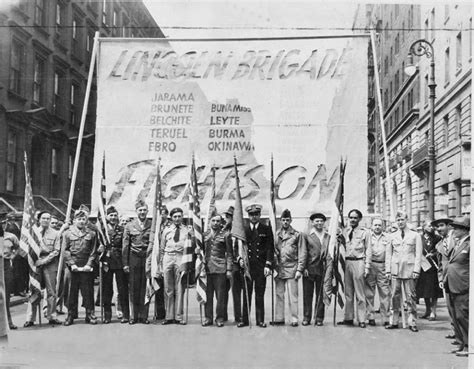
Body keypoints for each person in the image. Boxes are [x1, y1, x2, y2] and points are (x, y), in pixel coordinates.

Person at [24, 211, 63, 327]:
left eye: (48, 218)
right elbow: (27, 248)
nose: (46, 220)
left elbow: (56, 250)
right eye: (43, 218)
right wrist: (35, 261)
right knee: (34, 290)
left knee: (51, 292)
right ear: (39, 219)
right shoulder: (33, 232)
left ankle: (52, 316)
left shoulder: (56, 233)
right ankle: (30, 318)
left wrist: (44, 261)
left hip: (50, 264)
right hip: (35, 263)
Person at [385, 211, 422, 332]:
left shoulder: (415, 235)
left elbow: (418, 254)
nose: (400, 222)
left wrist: (416, 269)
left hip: (409, 269)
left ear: (407, 220)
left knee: (411, 296)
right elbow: (388, 254)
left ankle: (412, 322)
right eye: (398, 220)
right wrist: (388, 270)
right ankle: (394, 321)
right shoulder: (391, 236)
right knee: (394, 296)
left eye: (402, 220)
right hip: (395, 269)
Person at [238, 204, 274, 328]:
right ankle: (245, 320)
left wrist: (268, 265)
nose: (254, 217)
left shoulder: (266, 229)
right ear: (248, 216)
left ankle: (260, 320)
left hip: (260, 267)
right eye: (251, 215)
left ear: (259, 215)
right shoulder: (244, 230)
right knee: (246, 294)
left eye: (256, 214)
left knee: (259, 294)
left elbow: (270, 248)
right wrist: (239, 260)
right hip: (247, 267)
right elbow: (237, 247)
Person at [63, 209, 98, 326]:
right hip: (72, 267)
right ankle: (70, 315)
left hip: (86, 267)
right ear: (74, 221)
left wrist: (89, 264)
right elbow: (65, 250)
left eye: (84, 219)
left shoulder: (91, 234)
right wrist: (71, 264)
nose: (82, 221)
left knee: (87, 292)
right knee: (71, 292)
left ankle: (90, 314)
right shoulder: (67, 233)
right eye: (79, 219)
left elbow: (93, 251)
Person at [441, 216, 470, 357]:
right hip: (451, 284)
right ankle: (461, 342)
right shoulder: (458, 244)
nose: (454, 230)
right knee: (455, 315)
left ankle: (468, 346)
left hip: (462, 285)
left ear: (464, 230)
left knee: (462, 315)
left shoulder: (469, 244)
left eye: (457, 228)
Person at [337, 209, 372, 328]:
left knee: (360, 293)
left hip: (359, 262)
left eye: (355, 218)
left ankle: (362, 319)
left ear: (359, 219)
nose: (352, 220)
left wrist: (367, 266)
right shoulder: (344, 232)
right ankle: (348, 317)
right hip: (347, 263)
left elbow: (368, 250)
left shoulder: (365, 233)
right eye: (350, 217)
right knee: (348, 292)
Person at [273, 209, 306, 327]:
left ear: (291, 220)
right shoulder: (276, 234)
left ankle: (294, 319)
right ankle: (279, 318)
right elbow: (274, 250)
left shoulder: (297, 234)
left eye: (287, 220)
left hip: (292, 268)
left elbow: (302, 252)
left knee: (293, 296)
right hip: (279, 268)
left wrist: (299, 269)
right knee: (279, 294)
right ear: (280, 221)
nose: (285, 222)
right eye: (283, 220)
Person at [122, 200, 152, 324]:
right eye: (140, 210)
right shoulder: (129, 226)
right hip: (134, 258)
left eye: (144, 210)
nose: (142, 212)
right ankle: (133, 316)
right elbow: (125, 246)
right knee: (134, 288)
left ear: (147, 211)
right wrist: (125, 264)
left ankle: (143, 316)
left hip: (147, 258)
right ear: (136, 212)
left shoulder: (152, 224)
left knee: (145, 288)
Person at [158, 207, 189, 325]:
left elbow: (189, 248)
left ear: (182, 217)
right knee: (168, 288)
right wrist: (160, 265)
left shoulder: (186, 230)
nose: (177, 219)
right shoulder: (166, 230)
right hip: (168, 257)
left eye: (179, 216)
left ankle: (178, 316)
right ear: (171, 218)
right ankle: (169, 316)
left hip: (180, 257)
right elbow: (161, 248)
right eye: (175, 216)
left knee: (180, 288)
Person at [201, 214, 233, 327]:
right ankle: (208, 318)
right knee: (208, 296)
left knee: (220, 296)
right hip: (207, 269)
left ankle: (219, 318)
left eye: (217, 221)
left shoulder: (226, 235)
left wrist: (229, 269)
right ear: (209, 222)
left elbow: (229, 254)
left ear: (221, 223)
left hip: (220, 269)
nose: (215, 223)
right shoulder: (205, 235)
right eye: (213, 220)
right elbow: (202, 251)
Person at [301, 212, 332, 326]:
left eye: (321, 221)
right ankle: (306, 317)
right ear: (312, 222)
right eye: (317, 221)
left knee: (320, 294)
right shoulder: (306, 235)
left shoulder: (328, 236)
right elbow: (303, 252)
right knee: (307, 295)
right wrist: (303, 267)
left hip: (323, 269)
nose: (319, 223)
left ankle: (319, 318)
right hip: (309, 269)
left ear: (324, 223)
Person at [432, 215, 459, 343]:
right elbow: (440, 264)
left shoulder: (457, 238)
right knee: (450, 307)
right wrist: (440, 279)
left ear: (449, 226)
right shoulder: (439, 245)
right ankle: (456, 333)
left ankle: (464, 335)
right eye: (437, 226)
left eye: (441, 225)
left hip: (459, 277)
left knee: (461, 308)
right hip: (446, 279)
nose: (439, 229)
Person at [100, 206, 129, 324]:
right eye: (111, 215)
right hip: (106, 261)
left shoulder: (122, 229)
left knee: (122, 289)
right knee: (107, 290)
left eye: (115, 215)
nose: (113, 217)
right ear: (106, 217)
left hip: (119, 261)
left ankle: (126, 314)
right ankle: (107, 315)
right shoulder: (102, 230)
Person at [364, 218, 391, 326]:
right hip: (371, 265)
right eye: (375, 225)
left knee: (385, 292)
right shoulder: (367, 236)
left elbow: (389, 254)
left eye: (379, 225)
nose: (377, 227)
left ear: (383, 226)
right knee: (369, 292)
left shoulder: (387, 237)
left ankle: (385, 318)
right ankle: (370, 316)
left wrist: (388, 269)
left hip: (382, 265)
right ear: (371, 226)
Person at [416, 220, 443, 320]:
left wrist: (433, 254)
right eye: (428, 225)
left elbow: (440, 250)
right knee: (425, 290)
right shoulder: (419, 238)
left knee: (433, 291)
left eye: (432, 226)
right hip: (423, 267)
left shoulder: (437, 238)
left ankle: (433, 311)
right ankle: (427, 310)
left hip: (433, 267)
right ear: (423, 227)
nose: (431, 227)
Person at [2, 222, 24, 329]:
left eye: (3, 223)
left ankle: (8, 322)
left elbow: (19, 248)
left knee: (5, 296)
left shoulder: (11, 236)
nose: (1, 225)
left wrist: (12, 257)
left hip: (5, 265)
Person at [222, 206, 234, 322]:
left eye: (229, 217)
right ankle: (223, 315)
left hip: (235, 264)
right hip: (223, 264)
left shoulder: (237, 231)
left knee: (236, 291)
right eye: (226, 216)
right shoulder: (223, 230)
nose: (226, 219)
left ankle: (238, 316)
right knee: (224, 292)